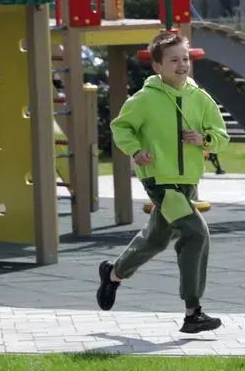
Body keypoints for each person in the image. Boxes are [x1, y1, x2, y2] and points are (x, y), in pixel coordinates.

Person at [96, 30, 230, 334]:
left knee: (156, 240)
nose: (182, 65)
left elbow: (221, 136)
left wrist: (204, 139)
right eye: (174, 60)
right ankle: (193, 312)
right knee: (196, 234)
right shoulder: (145, 99)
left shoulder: (200, 98)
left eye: (185, 58)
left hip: (188, 182)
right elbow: (121, 127)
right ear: (157, 66)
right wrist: (136, 150)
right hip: (160, 181)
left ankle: (114, 274)